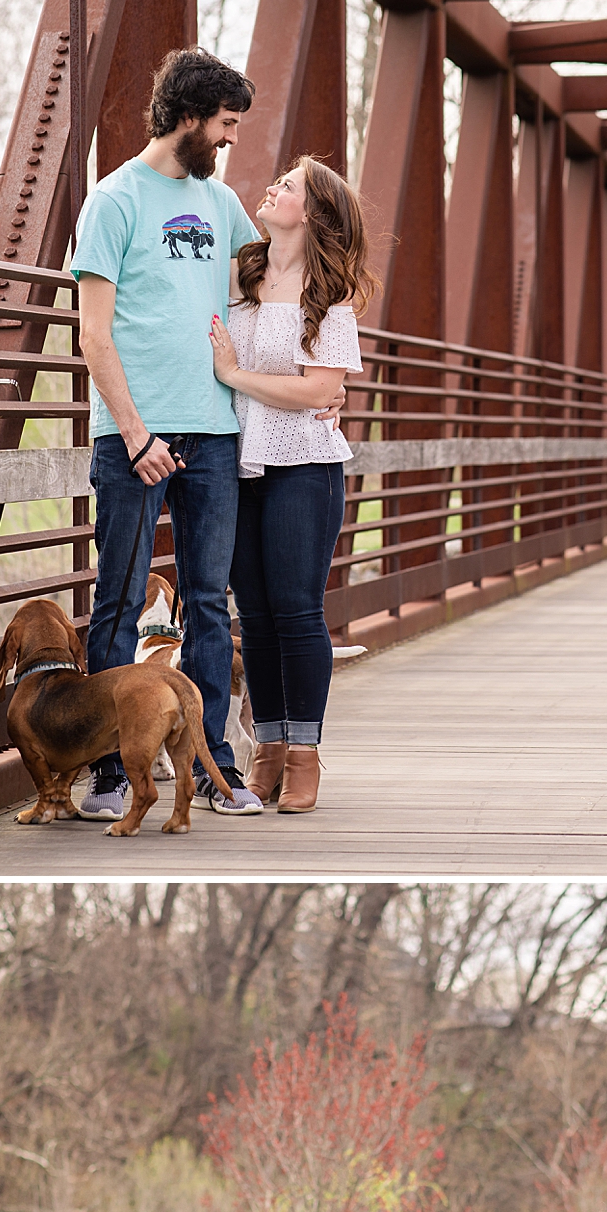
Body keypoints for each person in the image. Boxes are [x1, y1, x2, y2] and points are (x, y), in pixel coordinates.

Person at [73, 49, 318, 821]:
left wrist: (319, 378)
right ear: (187, 118)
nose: (229, 143)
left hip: (215, 434)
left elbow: (281, 281)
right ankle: (110, 768)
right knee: (117, 603)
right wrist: (139, 436)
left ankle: (210, 771)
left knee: (211, 604)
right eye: (224, 126)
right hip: (134, 440)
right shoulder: (113, 202)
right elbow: (93, 335)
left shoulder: (220, 207)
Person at [207, 157, 376, 816]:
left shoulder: (327, 294)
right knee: (255, 611)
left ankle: (305, 755)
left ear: (311, 211)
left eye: (288, 185)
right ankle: (267, 752)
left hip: (304, 462)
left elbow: (320, 390)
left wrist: (235, 376)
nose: (271, 186)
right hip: (239, 462)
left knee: (297, 608)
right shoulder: (238, 272)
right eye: (274, 178)